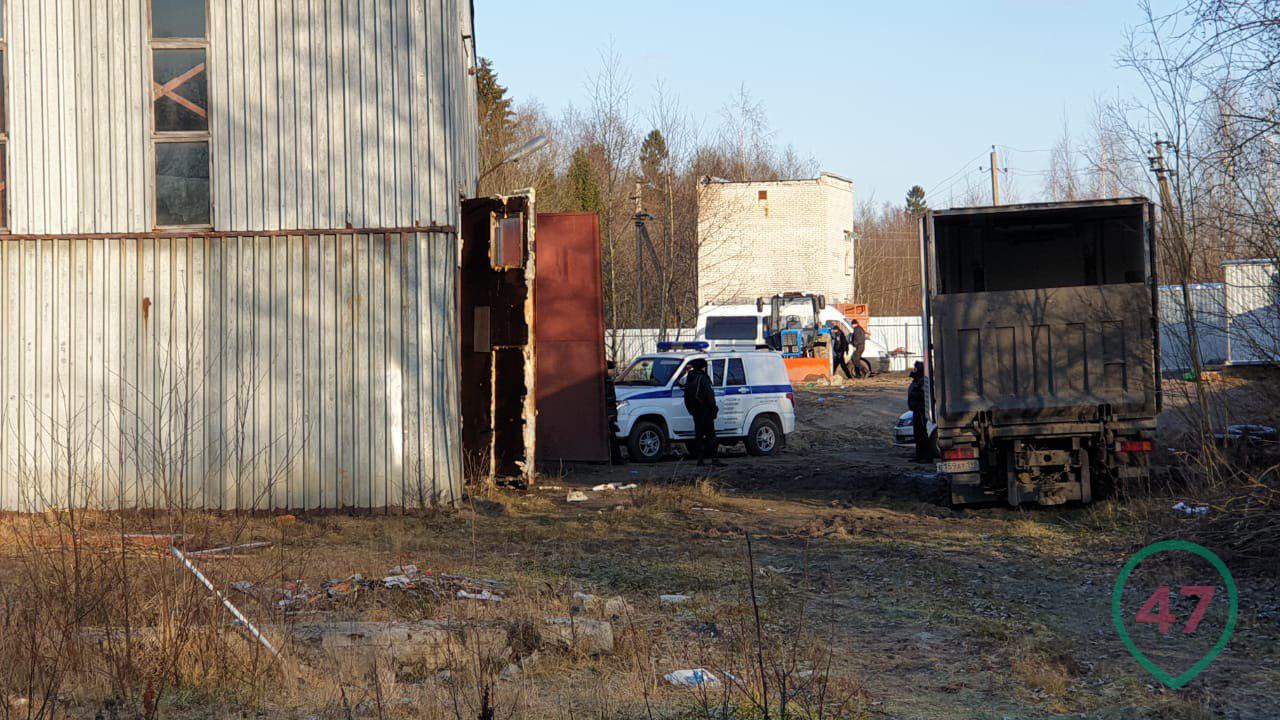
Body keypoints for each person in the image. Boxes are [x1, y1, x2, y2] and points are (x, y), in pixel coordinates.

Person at [682, 358, 723, 467]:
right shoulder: (703, 378)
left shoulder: (690, 378)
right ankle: (714, 459)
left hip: (695, 411)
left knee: (699, 435)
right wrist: (714, 409)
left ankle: (700, 460)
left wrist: (690, 410)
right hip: (705, 410)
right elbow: (710, 396)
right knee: (711, 435)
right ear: (703, 367)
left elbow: (686, 397)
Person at [907, 361, 933, 463]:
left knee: (922, 434)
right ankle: (919, 456)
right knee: (917, 434)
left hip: (921, 410)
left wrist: (915, 393)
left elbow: (924, 396)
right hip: (916, 410)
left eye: (916, 369)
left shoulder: (922, 382)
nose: (914, 370)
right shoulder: (917, 381)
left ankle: (927, 457)